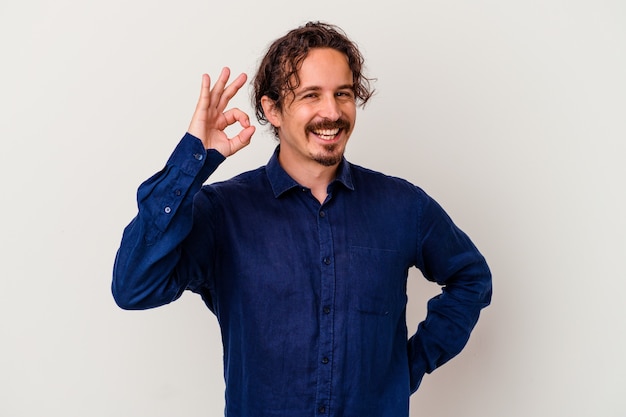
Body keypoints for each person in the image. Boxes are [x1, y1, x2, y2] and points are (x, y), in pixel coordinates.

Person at [112, 21, 492, 417]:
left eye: (342, 94)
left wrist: (407, 367)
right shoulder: (221, 212)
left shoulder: (403, 206)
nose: (332, 112)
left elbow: (471, 279)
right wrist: (194, 161)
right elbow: (134, 287)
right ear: (272, 109)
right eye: (311, 95)